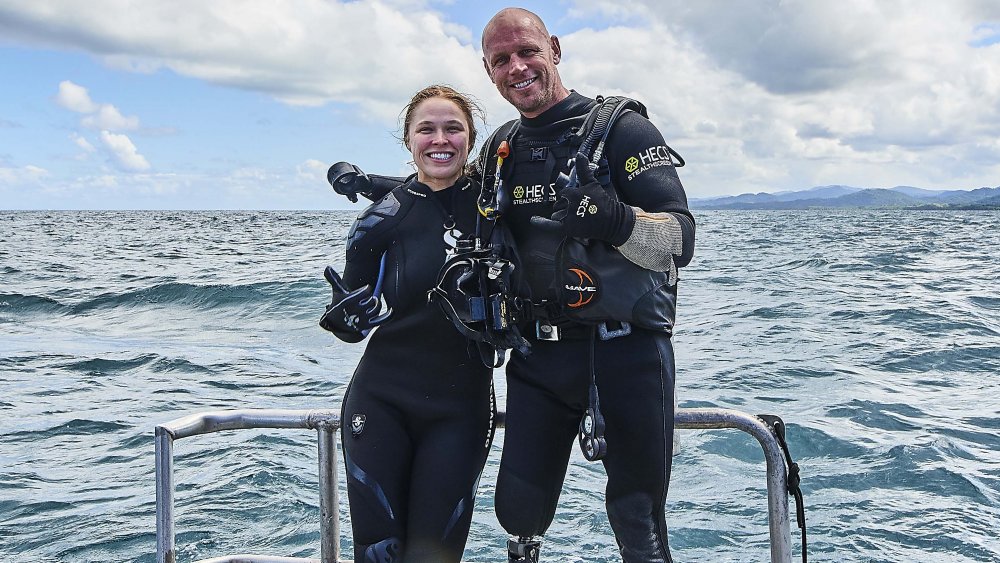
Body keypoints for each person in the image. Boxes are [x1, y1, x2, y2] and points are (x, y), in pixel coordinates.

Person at [478, 8, 696, 562]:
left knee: (636, 518)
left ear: (554, 48)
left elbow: (679, 240)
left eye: (528, 51)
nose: (518, 67)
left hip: (626, 355)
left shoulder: (624, 129)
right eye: (502, 59)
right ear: (488, 70)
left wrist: (615, 220)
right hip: (539, 358)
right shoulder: (501, 149)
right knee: (517, 510)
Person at [319, 85, 495, 563]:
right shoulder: (379, 221)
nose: (440, 139)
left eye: (452, 128)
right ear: (409, 139)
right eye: (427, 129)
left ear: (470, 138)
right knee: (378, 553)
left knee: (433, 557)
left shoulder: (496, 210)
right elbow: (352, 319)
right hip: (381, 402)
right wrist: (345, 323)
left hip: (460, 411)